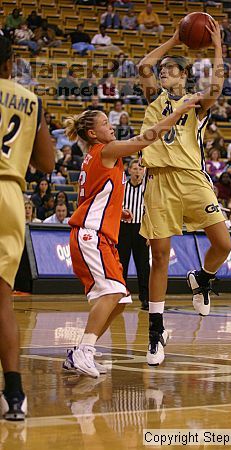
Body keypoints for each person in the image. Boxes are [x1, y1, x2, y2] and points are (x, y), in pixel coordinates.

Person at [62, 92, 200, 377]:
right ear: (93, 133)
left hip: (97, 234)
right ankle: (83, 352)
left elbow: (93, 196)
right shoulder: (106, 151)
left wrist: (117, 211)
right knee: (112, 293)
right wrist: (180, 111)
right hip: (91, 236)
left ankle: (80, 351)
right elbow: (147, 137)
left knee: (121, 300)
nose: (110, 126)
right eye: (104, 123)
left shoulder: (95, 155)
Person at [137, 19, 231, 366]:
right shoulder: (154, 98)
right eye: (164, 71)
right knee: (159, 256)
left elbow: (218, 86)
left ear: (184, 76)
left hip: (193, 178)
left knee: (223, 244)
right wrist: (175, 38)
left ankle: (202, 278)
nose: (164, 72)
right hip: (160, 180)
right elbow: (144, 65)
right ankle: (155, 332)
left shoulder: (195, 103)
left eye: (172, 69)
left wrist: (218, 45)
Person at [0, 36, 54, 420]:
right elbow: (48, 163)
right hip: (10, 197)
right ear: (10, 62)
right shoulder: (29, 99)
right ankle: (15, 396)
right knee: (3, 304)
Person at [117, 159, 150, 310]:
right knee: (121, 264)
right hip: (123, 229)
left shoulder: (147, 188)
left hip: (141, 229)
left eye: (140, 169)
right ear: (129, 170)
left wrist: (150, 233)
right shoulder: (122, 186)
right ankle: (121, 294)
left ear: (144, 171)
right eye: (135, 169)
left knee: (143, 266)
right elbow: (114, 206)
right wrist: (122, 212)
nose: (137, 171)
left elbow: (151, 211)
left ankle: (145, 298)